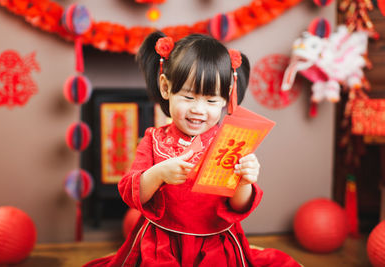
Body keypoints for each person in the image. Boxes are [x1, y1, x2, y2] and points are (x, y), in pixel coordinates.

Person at [84, 32, 300, 267]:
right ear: (166, 88)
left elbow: (237, 206)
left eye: (210, 101)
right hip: (161, 243)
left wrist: (244, 182)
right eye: (188, 97)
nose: (198, 109)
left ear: (226, 97)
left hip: (214, 244)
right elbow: (132, 194)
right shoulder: (153, 140)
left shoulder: (229, 143)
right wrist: (158, 174)